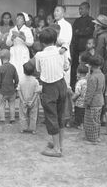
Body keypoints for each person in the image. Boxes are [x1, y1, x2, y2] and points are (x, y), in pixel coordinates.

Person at [35, 28, 69, 158]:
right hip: (61, 84)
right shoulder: (62, 51)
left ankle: (56, 149)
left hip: (49, 87)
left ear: (42, 42)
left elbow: (38, 69)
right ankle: (59, 144)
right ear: (55, 40)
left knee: (51, 116)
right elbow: (66, 66)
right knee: (60, 115)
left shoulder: (39, 55)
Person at [71, 2, 94, 90]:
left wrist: (79, 32)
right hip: (76, 48)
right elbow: (74, 32)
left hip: (85, 49)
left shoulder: (91, 20)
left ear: (88, 9)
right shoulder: (77, 21)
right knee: (75, 67)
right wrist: (80, 32)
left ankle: (85, 86)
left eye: (82, 9)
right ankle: (74, 86)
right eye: (79, 9)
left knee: (85, 67)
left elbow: (88, 32)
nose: (80, 10)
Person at [84, 55, 105, 143]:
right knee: (97, 120)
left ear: (90, 65)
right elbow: (103, 88)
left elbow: (90, 92)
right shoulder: (102, 75)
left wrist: (86, 102)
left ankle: (92, 139)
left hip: (93, 102)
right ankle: (97, 137)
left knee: (90, 121)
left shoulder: (92, 77)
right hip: (100, 100)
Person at [6, 12, 34, 80]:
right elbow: (8, 43)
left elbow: (30, 43)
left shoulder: (27, 30)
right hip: (14, 50)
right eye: (17, 17)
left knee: (23, 68)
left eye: (20, 18)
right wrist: (12, 38)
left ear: (24, 21)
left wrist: (22, 37)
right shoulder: (12, 30)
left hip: (23, 50)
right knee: (14, 67)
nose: (18, 19)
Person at [0, 49, 19, 123]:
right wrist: (15, 86)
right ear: (9, 57)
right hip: (11, 90)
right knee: (12, 105)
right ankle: (12, 118)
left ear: (0, 58)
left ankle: (2, 119)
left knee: (2, 105)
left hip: (3, 91)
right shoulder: (13, 67)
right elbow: (16, 79)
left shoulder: (0, 68)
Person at [18, 62, 41, 134]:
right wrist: (32, 101)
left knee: (22, 115)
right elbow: (36, 92)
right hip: (33, 100)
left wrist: (22, 100)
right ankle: (33, 129)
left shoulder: (21, 80)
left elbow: (19, 91)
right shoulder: (35, 81)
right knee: (33, 115)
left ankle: (23, 128)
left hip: (23, 99)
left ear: (23, 70)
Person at [54, 6, 73, 86]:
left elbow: (67, 41)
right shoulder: (54, 25)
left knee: (65, 79)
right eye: (54, 11)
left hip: (63, 52)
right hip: (54, 53)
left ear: (63, 13)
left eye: (57, 11)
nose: (55, 13)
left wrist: (57, 41)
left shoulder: (67, 25)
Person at [72, 64, 88, 129]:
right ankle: (83, 124)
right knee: (84, 114)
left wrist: (72, 98)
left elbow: (77, 93)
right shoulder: (87, 81)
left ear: (79, 73)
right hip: (86, 101)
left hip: (79, 103)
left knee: (78, 114)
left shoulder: (79, 83)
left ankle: (79, 125)